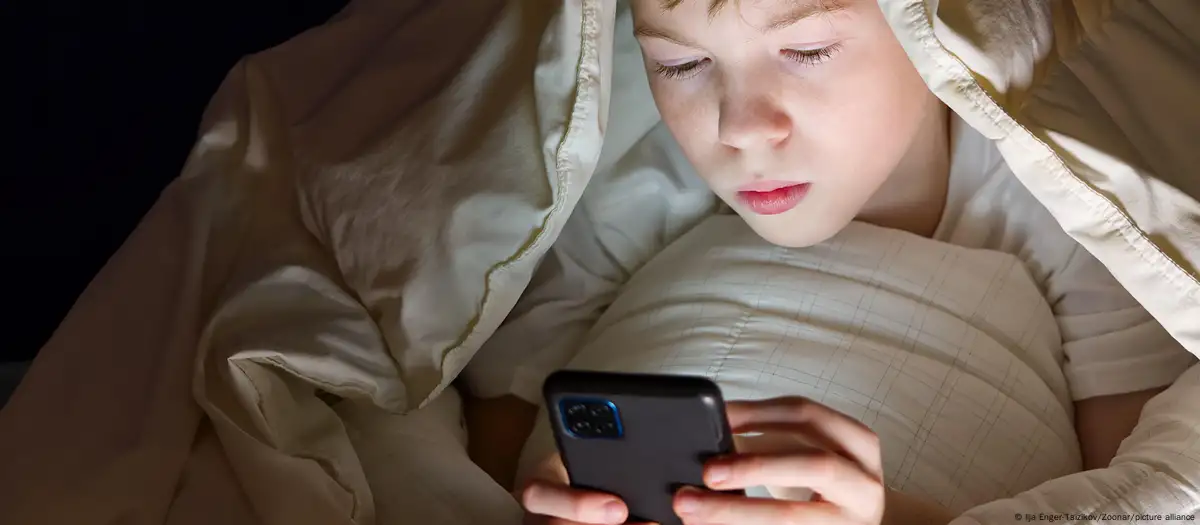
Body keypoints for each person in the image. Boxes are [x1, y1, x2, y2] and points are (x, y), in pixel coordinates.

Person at [462, 1, 1197, 524]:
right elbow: (502, 426)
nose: (741, 126)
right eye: (680, 62)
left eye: (807, 49)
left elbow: (1126, 487)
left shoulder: (1073, 202)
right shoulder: (635, 178)